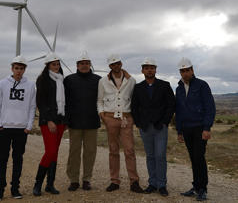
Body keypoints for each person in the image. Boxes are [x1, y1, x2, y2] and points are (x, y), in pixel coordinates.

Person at [0, 55, 36, 202]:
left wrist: (29, 126)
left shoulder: (30, 86)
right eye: (16, 68)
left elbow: (31, 107)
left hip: (21, 129)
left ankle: (15, 188)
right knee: (2, 159)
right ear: (12, 68)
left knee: (18, 159)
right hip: (5, 128)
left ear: (25, 70)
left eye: (21, 68)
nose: (19, 71)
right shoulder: (2, 84)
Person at [97, 54, 143, 193]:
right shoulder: (103, 81)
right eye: (112, 64)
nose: (115, 66)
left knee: (129, 150)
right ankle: (114, 181)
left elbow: (135, 101)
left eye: (117, 63)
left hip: (126, 119)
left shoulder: (131, 80)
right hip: (110, 118)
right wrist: (102, 115)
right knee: (113, 151)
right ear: (109, 66)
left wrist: (133, 118)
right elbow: (100, 100)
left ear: (121, 63)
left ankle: (134, 182)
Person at [131, 57, 175, 196]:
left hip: (160, 127)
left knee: (160, 155)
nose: (149, 70)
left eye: (152, 67)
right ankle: (152, 184)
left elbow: (171, 105)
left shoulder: (165, 85)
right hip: (145, 127)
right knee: (150, 156)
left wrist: (164, 122)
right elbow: (134, 107)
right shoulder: (138, 87)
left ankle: (162, 185)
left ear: (155, 69)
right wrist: (138, 123)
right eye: (146, 67)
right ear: (142, 70)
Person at [175, 57, 216, 201]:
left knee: (199, 157)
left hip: (199, 128)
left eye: (187, 70)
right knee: (193, 158)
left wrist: (207, 128)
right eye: (182, 71)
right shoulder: (179, 88)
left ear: (192, 70)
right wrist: (179, 131)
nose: (185, 73)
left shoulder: (202, 85)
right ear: (180, 72)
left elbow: (210, 108)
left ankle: (202, 189)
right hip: (186, 129)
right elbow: (178, 111)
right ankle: (196, 187)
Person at [64, 52, 101, 191]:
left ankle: (87, 179)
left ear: (90, 64)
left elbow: (102, 100)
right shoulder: (69, 80)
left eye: (86, 63)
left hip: (92, 122)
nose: (84, 66)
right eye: (81, 63)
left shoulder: (98, 79)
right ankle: (73, 180)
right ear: (77, 65)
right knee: (74, 152)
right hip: (74, 122)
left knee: (90, 152)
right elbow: (65, 101)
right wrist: (66, 120)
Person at [33, 52, 68, 196]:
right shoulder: (43, 79)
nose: (56, 66)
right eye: (54, 64)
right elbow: (40, 102)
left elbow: (64, 102)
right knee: (50, 151)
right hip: (48, 122)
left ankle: (50, 184)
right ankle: (37, 184)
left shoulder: (61, 79)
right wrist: (48, 120)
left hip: (60, 120)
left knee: (55, 153)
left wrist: (64, 121)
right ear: (48, 65)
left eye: (58, 64)